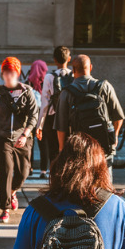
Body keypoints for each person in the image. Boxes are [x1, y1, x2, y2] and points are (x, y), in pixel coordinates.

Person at [55, 55, 125, 176]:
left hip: (79, 146)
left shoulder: (66, 92)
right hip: (103, 145)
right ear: (91, 67)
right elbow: (118, 117)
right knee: (104, 182)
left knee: (80, 182)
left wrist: (62, 149)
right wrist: (115, 137)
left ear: (74, 70)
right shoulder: (105, 87)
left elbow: (61, 126)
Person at [0, 57, 39, 223]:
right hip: (1, 137)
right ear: (2, 74)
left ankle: (12, 192)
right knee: (6, 171)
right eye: (6, 72)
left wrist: (25, 134)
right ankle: (4, 208)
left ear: (17, 73)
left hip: (22, 137)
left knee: (23, 172)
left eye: (12, 72)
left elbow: (34, 115)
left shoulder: (27, 92)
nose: (9, 75)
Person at [37, 48, 74, 176]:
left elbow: (45, 103)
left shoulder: (49, 77)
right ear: (69, 59)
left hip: (53, 118)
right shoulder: (74, 76)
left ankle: (54, 178)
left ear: (55, 60)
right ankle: (67, 176)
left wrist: (39, 125)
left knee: (54, 151)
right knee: (69, 150)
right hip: (70, 119)